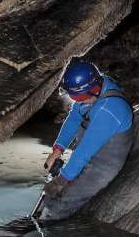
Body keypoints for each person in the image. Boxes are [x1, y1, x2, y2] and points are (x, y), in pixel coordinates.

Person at [40, 61, 134, 221]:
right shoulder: (93, 90)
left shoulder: (110, 109)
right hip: (88, 154)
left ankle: (46, 228)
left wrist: (62, 180)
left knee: (61, 203)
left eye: (81, 98)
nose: (79, 101)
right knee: (52, 192)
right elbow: (74, 118)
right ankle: (40, 214)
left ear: (95, 90)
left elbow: (84, 151)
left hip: (103, 165)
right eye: (74, 98)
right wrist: (58, 149)